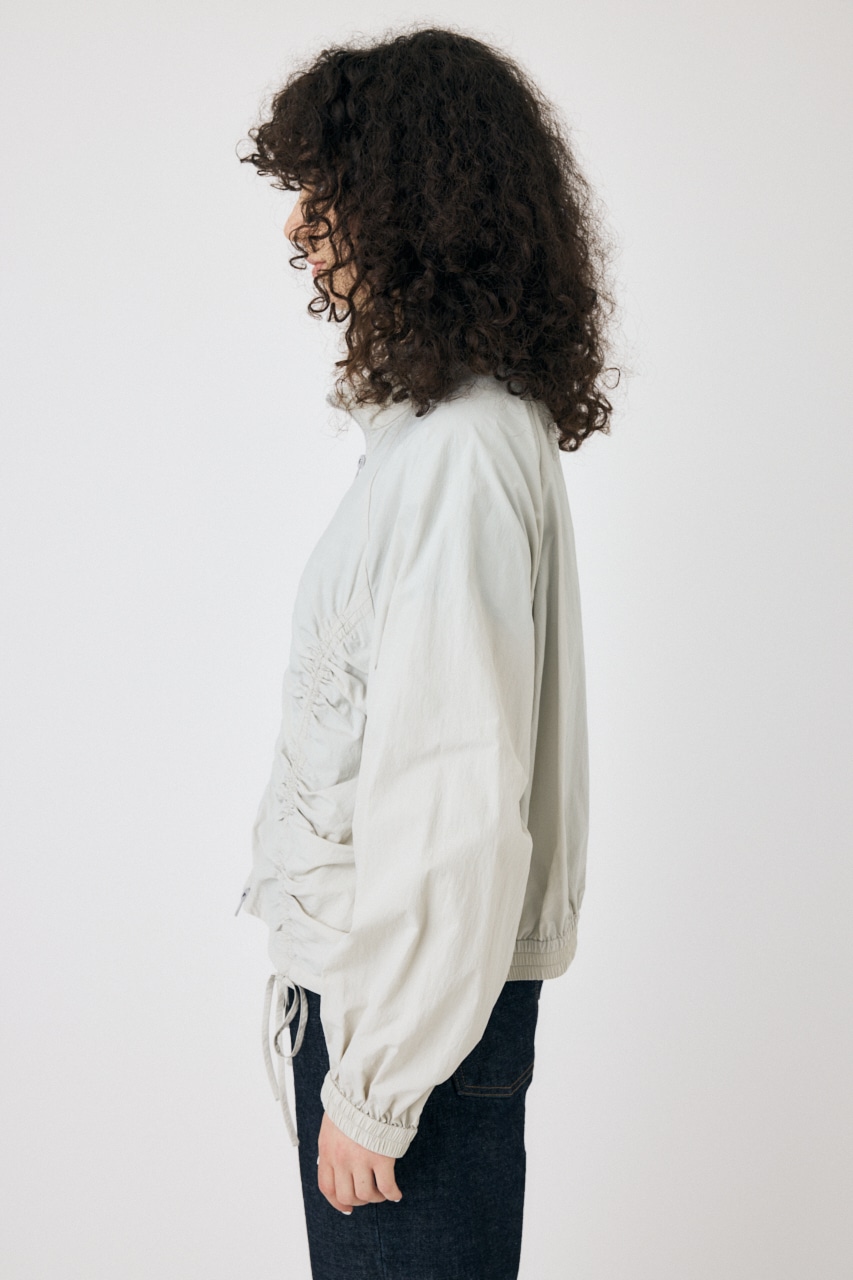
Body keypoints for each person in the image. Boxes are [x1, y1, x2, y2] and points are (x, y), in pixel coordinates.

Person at [235, 23, 620, 1279]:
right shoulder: (442, 435)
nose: (299, 225)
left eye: (326, 190)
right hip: (403, 1011)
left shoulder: (456, 453)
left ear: (411, 202)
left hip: (406, 1029)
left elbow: (453, 795)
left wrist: (377, 1084)